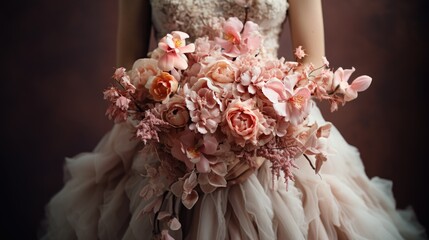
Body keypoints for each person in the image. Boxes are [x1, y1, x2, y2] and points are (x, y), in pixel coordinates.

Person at [40, 0, 427, 239]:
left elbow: (312, 64)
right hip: (171, 137)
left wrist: (262, 131)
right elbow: (127, 69)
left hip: (277, 134)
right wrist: (178, 121)